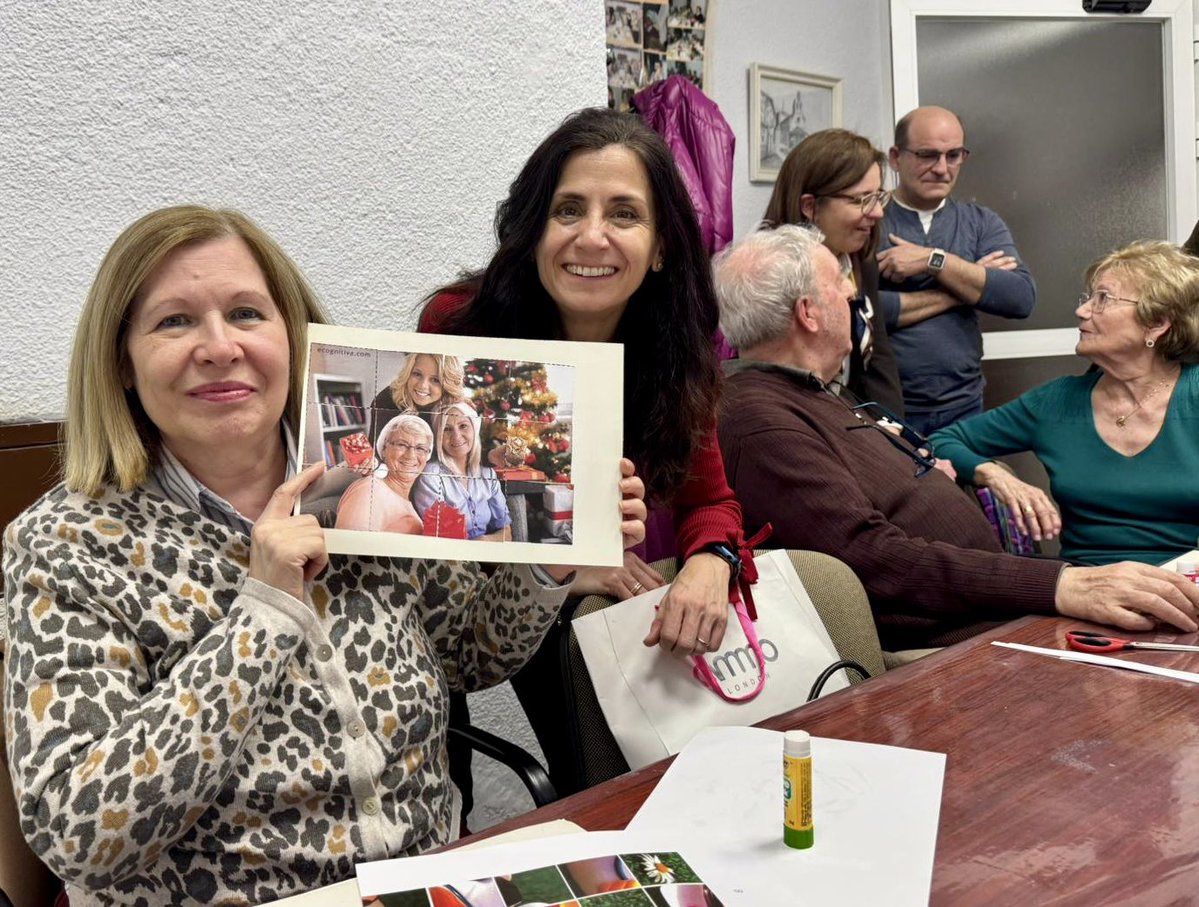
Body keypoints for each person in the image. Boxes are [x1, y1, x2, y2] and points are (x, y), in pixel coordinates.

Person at [1, 205, 646, 905]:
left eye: (246, 313)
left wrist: (547, 562)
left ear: (292, 336)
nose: (219, 346)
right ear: (122, 361)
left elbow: (471, 652)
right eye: (174, 321)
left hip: (429, 879)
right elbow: (82, 835)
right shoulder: (65, 542)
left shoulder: (364, 479)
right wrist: (265, 610)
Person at [419, 107, 745, 797]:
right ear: (535, 226)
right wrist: (565, 554)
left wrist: (710, 565)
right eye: (568, 208)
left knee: (624, 768)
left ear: (659, 245)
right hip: (449, 611)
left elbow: (709, 498)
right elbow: (430, 509)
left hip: (564, 606)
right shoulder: (459, 326)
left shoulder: (676, 349)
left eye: (622, 213)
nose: (590, 235)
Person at [712, 224, 1198, 651]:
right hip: (975, 636)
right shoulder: (763, 418)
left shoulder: (821, 395)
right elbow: (874, 557)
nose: (853, 296)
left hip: (1021, 612)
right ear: (809, 315)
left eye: (1103, 299)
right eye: (841, 285)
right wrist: (1060, 584)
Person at [931, 241, 1199, 566]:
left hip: (1184, 587)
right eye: (1087, 299)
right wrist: (995, 475)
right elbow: (939, 441)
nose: (1082, 311)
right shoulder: (1055, 402)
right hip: (1084, 590)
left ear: (1156, 323)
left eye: (1103, 299)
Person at [876, 106, 1036, 434]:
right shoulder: (871, 220)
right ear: (895, 157)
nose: (941, 168)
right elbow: (866, 310)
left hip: (963, 406)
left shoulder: (981, 223)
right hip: (886, 407)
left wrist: (935, 260)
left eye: (953, 155)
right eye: (927, 155)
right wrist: (968, 287)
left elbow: (1020, 298)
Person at [762, 128, 905, 415]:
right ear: (810, 206)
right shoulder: (768, 275)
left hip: (852, 421)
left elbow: (877, 358)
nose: (877, 212)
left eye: (878, 196)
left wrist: (896, 434)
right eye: (861, 199)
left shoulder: (860, 260)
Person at [413, 402, 513, 541]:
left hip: (488, 554)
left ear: (474, 429)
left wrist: (484, 541)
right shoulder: (431, 476)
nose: (456, 436)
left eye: (463, 426)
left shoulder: (487, 473)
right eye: (447, 429)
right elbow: (437, 536)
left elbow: (506, 532)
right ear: (439, 438)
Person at [335, 413, 433, 533]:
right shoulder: (370, 490)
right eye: (401, 445)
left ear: (427, 456)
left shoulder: (409, 500)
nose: (411, 455)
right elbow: (348, 547)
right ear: (384, 449)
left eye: (420, 448)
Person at [367, 352, 466, 448]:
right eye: (417, 374)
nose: (422, 386)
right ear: (408, 373)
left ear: (448, 386)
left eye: (435, 380)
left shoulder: (456, 407)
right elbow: (378, 451)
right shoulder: (386, 401)